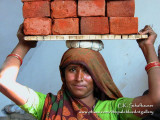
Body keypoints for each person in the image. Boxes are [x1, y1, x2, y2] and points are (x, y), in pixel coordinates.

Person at [0, 24, 160, 120]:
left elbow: (155, 98)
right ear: (63, 74)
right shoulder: (46, 105)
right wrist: (24, 44)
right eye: (72, 69)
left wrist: (148, 47)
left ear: (97, 74)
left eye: (87, 70)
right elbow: (4, 82)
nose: (79, 78)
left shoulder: (114, 109)